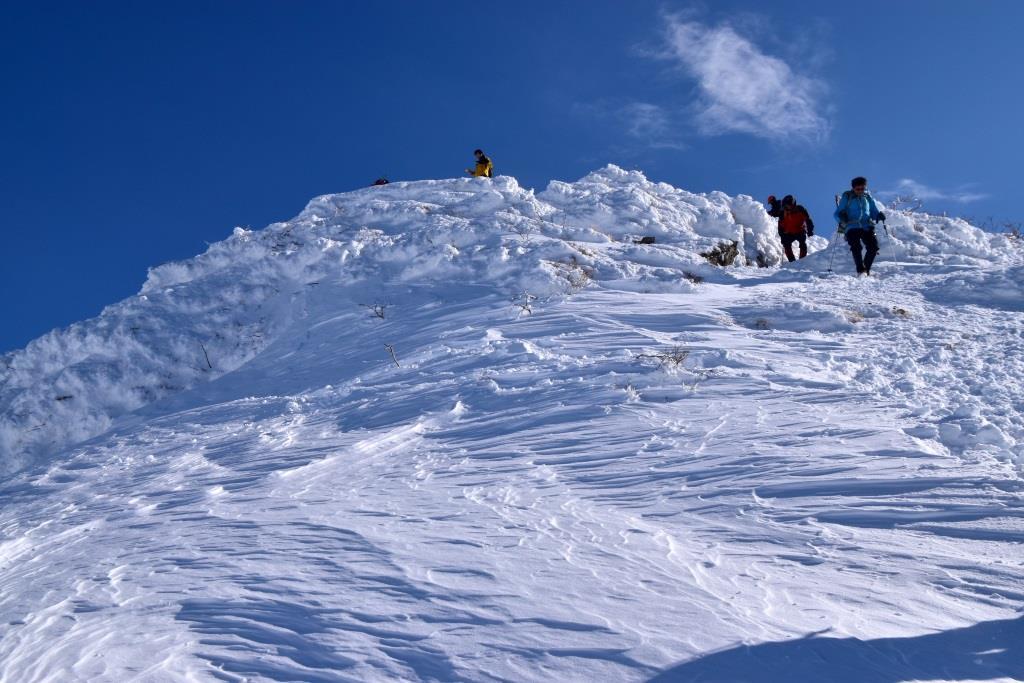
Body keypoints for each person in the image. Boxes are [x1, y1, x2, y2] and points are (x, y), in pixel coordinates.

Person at [834, 176, 886, 276]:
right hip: (851, 226)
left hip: (867, 226)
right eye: (858, 189)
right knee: (856, 247)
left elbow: (873, 212)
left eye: (863, 188)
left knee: (873, 247)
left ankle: (865, 269)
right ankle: (860, 270)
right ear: (853, 188)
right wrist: (842, 218)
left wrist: (879, 215)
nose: (860, 191)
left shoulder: (867, 198)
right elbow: (837, 213)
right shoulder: (847, 196)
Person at [766, 194, 815, 262]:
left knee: (802, 243)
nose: (787, 208)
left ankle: (802, 261)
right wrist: (782, 235)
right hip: (789, 233)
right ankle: (792, 262)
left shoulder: (800, 209)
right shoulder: (783, 213)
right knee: (786, 245)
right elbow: (780, 225)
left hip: (799, 230)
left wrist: (810, 230)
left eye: (787, 206)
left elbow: (808, 220)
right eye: (785, 206)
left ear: (792, 204)